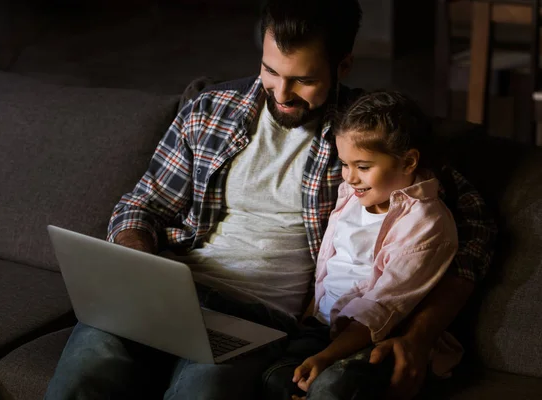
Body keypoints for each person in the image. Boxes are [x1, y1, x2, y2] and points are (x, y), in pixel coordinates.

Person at [44, 1, 497, 399]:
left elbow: (474, 224)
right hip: (171, 289)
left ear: (343, 66)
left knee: (204, 392)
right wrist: (137, 265)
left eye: (303, 80)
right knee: (85, 377)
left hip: (260, 319)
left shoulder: (365, 136)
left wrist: (421, 335)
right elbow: (140, 206)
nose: (281, 95)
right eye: (271, 71)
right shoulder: (209, 111)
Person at [262, 90, 465, 400]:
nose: (350, 177)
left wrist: (327, 357)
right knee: (276, 379)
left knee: (333, 388)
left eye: (363, 166)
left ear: (408, 161)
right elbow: (331, 268)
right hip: (321, 326)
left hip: (377, 336)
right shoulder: (352, 195)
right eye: (345, 164)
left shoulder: (427, 223)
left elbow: (382, 307)